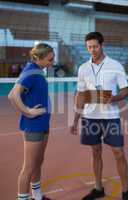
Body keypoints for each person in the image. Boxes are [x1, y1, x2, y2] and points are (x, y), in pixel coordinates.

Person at [70, 32, 128, 200]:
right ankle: (98, 188)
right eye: (89, 47)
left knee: (118, 152)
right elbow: (81, 95)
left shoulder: (115, 65)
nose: (92, 50)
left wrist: (114, 98)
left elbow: (125, 90)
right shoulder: (83, 68)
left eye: (95, 46)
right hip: (90, 117)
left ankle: (126, 191)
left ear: (102, 45)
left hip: (110, 116)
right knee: (95, 151)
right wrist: (75, 119)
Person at [8, 43, 54, 200]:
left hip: (43, 123)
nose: (52, 62)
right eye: (49, 60)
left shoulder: (38, 70)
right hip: (33, 125)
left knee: (38, 162)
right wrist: (28, 112)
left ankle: (37, 196)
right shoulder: (31, 72)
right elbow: (13, 95)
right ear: (38, 58)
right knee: (28, 167)